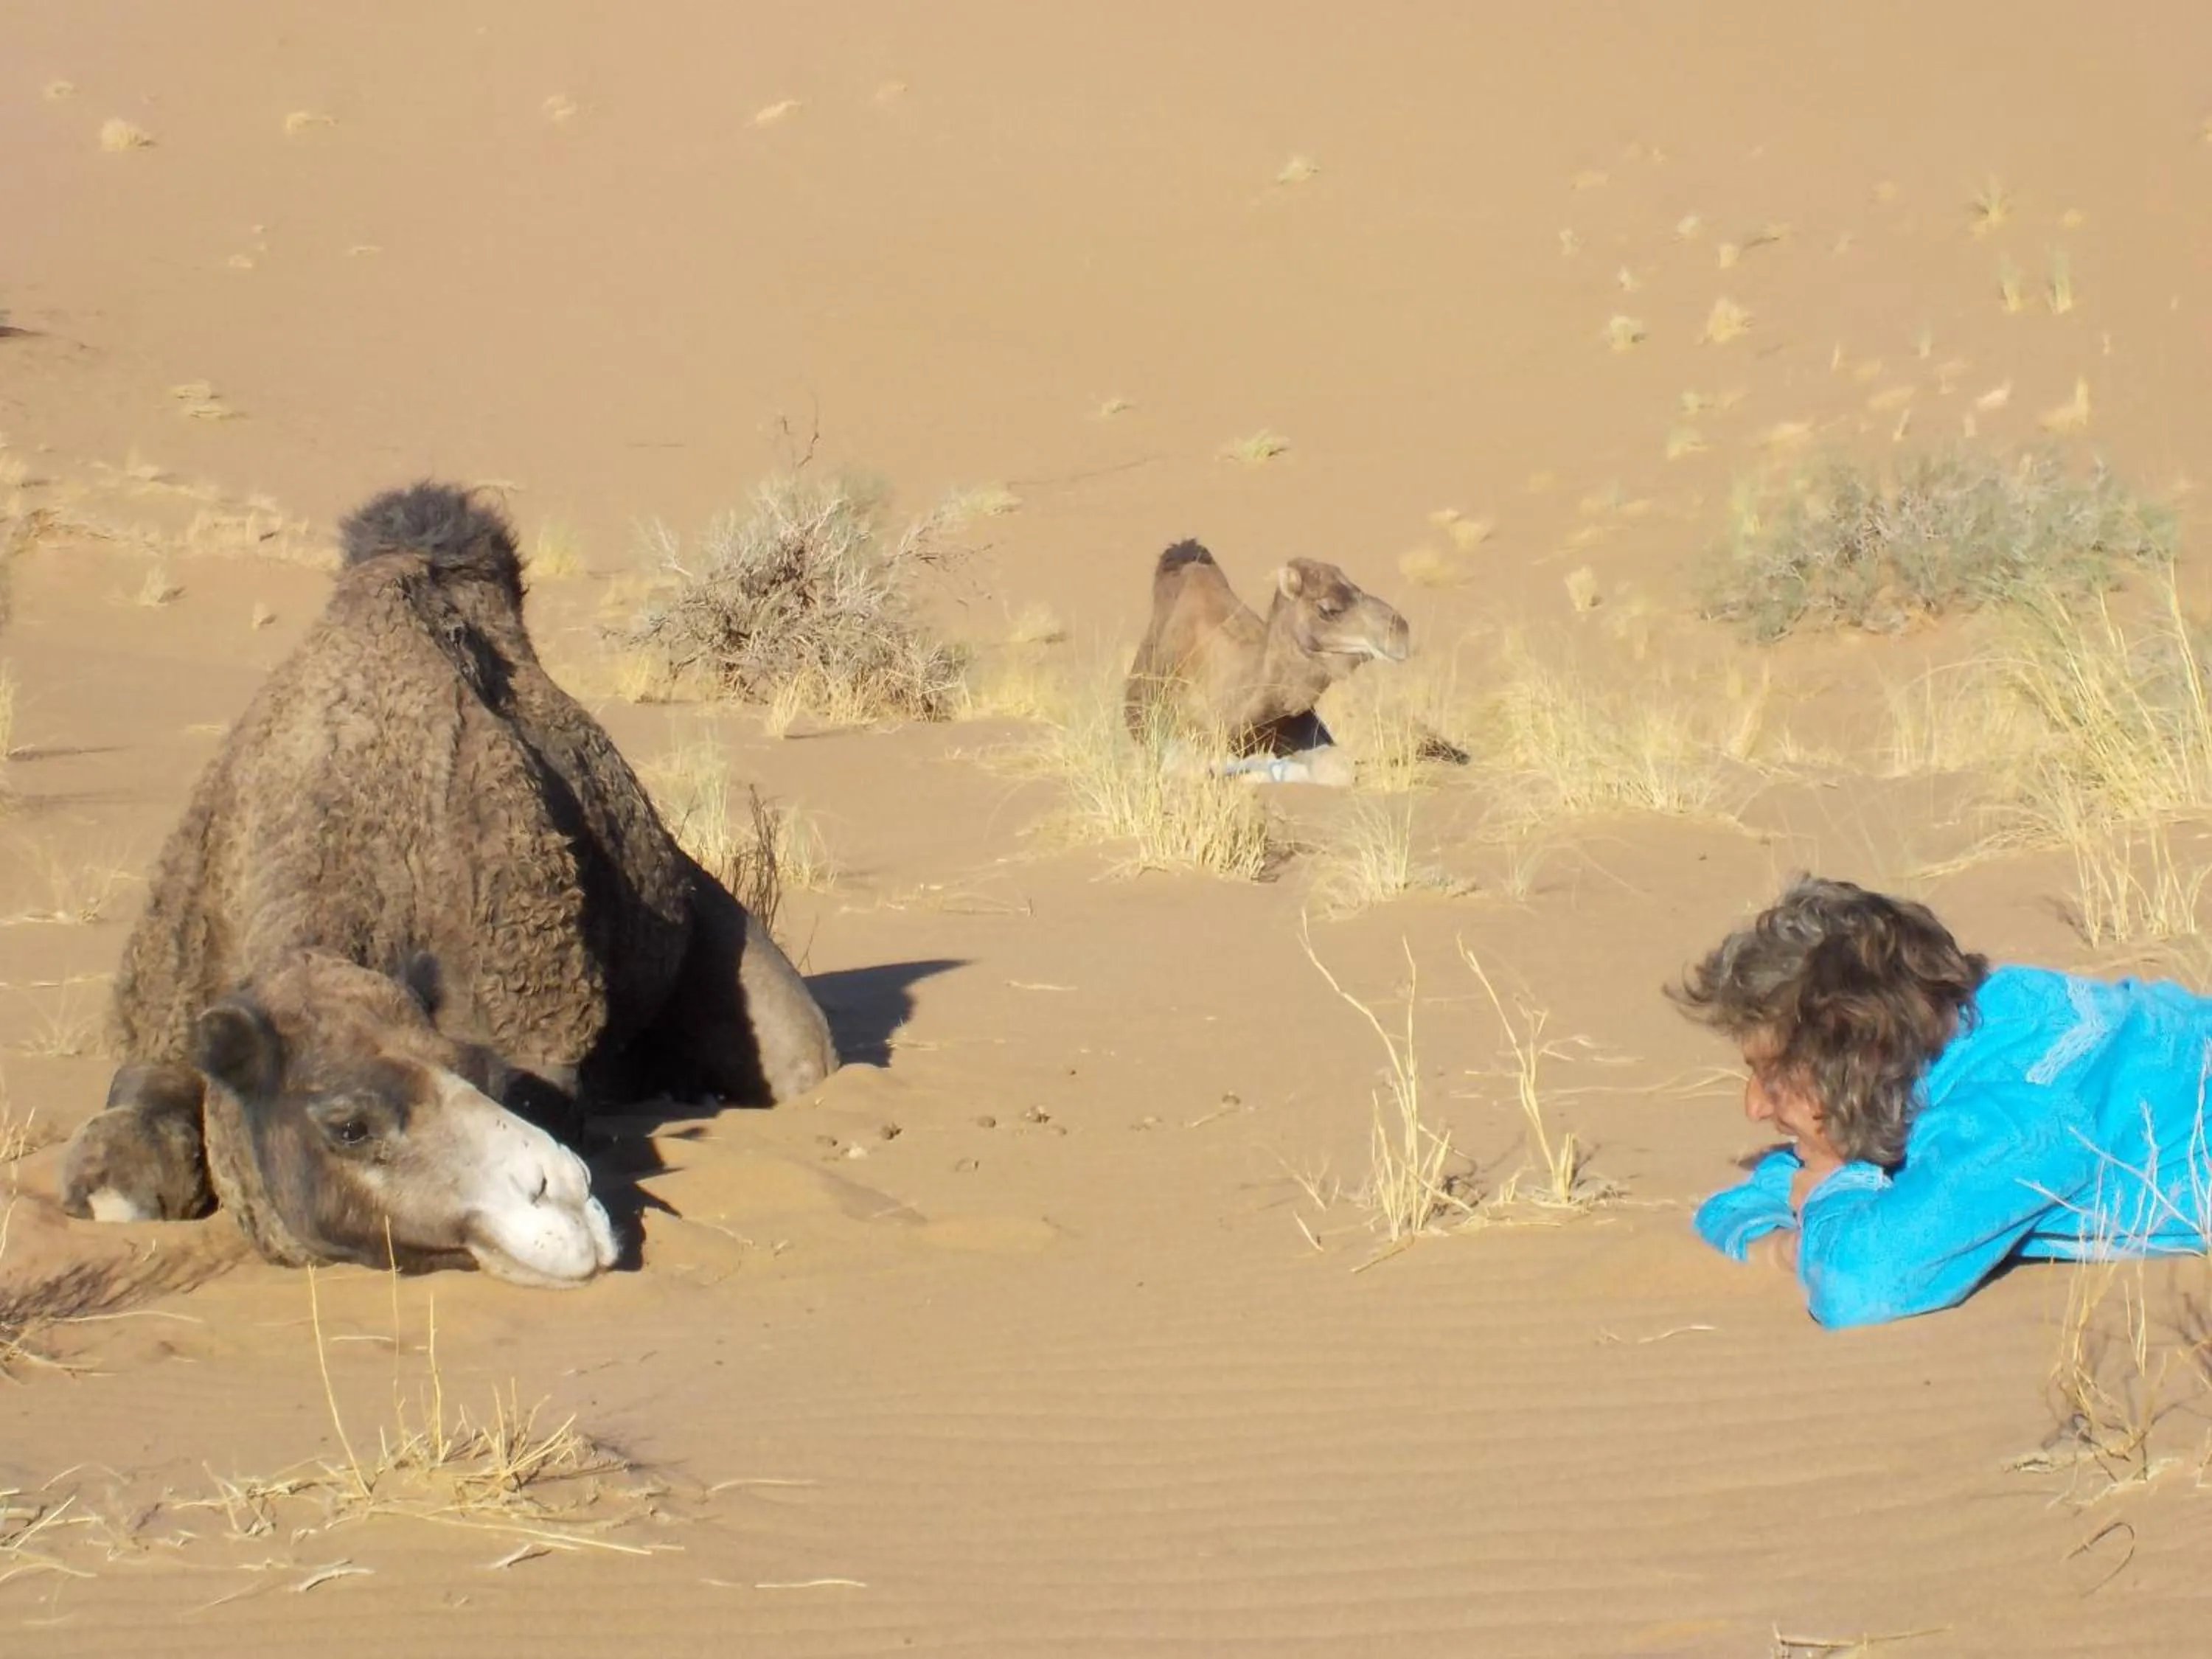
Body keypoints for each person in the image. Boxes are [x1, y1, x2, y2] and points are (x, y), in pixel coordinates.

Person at [1671, 876, 2212, 1328]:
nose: (1755, 1108)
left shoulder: (2018, 1123)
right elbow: (1751, 1197)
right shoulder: (1966, 1028)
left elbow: (1858, 1283)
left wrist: (1821, 1207)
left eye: (1773, 1077)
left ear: (1852, 1066)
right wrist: (1793, 1216)